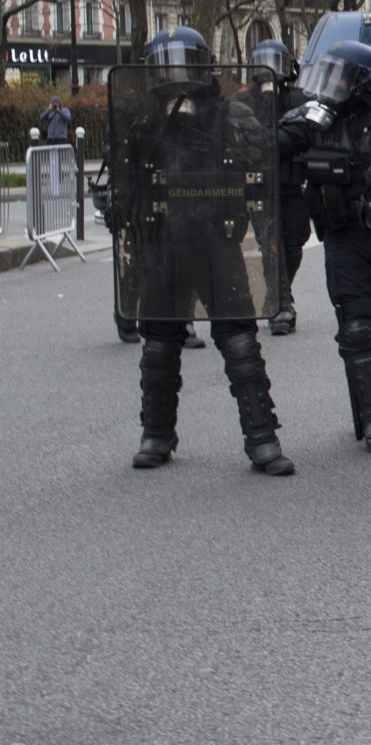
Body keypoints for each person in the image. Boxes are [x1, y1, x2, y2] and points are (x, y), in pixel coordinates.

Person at [114, 28, 293, 475]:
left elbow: (261, 169)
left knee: (238, 340)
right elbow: (125, 184)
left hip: (217, 238)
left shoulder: (230, 117)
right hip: (163, 242)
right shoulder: (141, 123)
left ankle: (261, 439)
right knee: (158, 343)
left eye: (183, 64)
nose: (176, 75)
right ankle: (156, 433)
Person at [279, 39, 371, 453]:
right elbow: (271, 145)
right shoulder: (318, 117)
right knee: (356, 326)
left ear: (360, 81)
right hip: (343, 236)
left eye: (339, 74)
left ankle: (369, 403)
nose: (329, 82)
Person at [251, 39, 310, 335]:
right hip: (261, 185)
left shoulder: (298, 98)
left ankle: (279, 291)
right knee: (269, 244)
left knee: (296, 240)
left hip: (291, 184)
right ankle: (281, 306)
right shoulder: (247, 100)